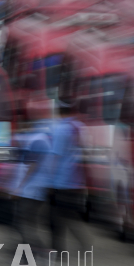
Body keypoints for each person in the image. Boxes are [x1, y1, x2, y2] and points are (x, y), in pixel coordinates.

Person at [48, 100, 92, 251]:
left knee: (58, 217)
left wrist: (50, 182)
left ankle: (59, 249)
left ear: (59, 112)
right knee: (69, 214)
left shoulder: (60, 129)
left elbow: (55, 156)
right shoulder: (80, 127)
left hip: (61, 180)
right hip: (76, 180)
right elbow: (86, 152)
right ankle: (69, 247)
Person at [14, 100, 54, 258]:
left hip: (33, 190)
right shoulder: (39, 138)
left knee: (24, 222)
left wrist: (19, 186)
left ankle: (42, 251)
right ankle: (26, 257)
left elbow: (32, 165)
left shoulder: (38, 140)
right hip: (34, 189)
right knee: (26, 223)